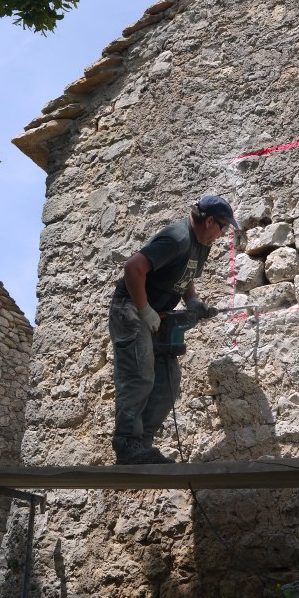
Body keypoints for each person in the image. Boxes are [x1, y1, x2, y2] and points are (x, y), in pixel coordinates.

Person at [109, 195, 239, 465]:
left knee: (168, 380)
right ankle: (126, 444)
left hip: (155, 315)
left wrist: (192, 300)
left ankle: (141, 446)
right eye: (223, 227)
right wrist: (145, 310)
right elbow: (133, 267)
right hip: (131, 309)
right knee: (140, 374)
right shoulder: (177, 238)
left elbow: (186, 275)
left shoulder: (202, 244)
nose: (223, 234)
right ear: (209, 221)